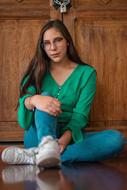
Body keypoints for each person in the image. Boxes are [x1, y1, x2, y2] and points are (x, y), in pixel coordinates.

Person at [1, 19, 125, 168]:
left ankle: (35, 157)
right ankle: (46, 150)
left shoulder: (87, 73)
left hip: (70, 138)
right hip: (38, 136)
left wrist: (63, 140)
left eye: (58, 40)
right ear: (43, 47)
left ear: (67, 41)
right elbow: (24, 122)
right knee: (46, 95)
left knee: (116, 140)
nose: (53, 48)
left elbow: (80, 116)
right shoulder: (36, 72)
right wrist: (34, 100)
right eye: (47, 43)